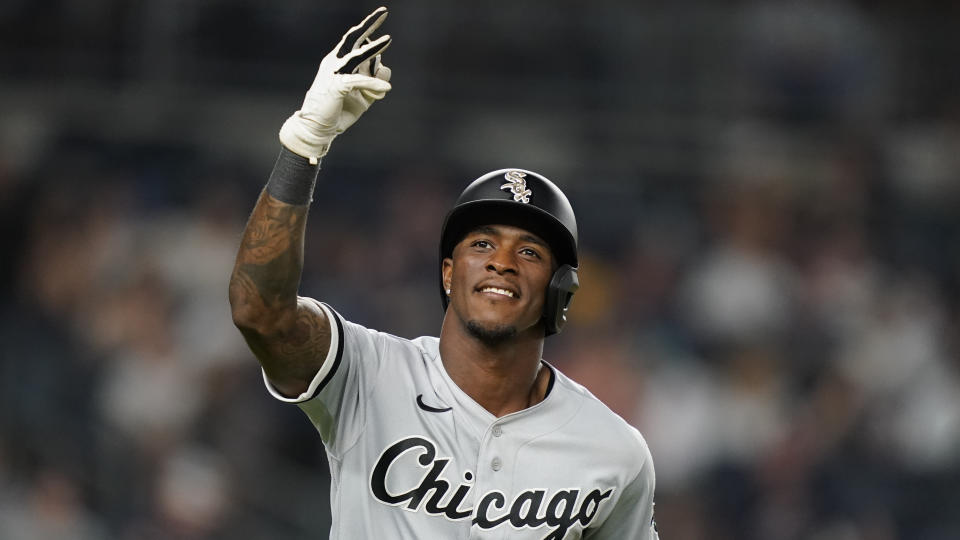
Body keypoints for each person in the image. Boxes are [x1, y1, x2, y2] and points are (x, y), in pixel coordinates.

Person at [229, 7, 659, 539]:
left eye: (529, 252)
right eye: (481, 244)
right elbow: (260, 314)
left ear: (559, 290)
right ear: (449, 274)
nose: (501, 260)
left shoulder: (613, 452)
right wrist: (303, 147)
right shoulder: (369, 373)